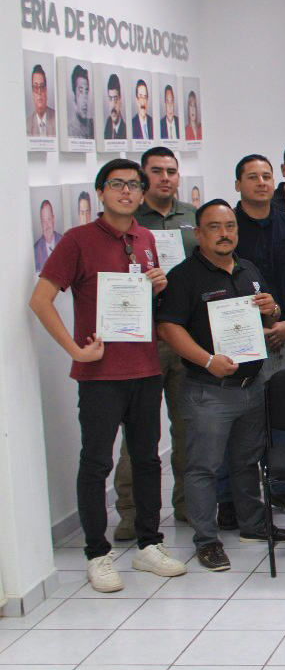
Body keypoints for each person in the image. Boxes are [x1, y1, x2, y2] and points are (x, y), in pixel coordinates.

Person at [30, 159, 186, 592]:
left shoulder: (145, 237)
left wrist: (157, 287)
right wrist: (75, 349)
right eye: (117, 184)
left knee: (147, 459)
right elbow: (40, 300)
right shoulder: (77, 240)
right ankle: (97, 554)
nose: (126, 191)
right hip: (100, 373)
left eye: (134, 185)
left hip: (145, 367)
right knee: (97, 462)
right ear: (100, 193)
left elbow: (146, 304)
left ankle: (149, 544)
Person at [157, 200, 285, 572]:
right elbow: (168, 327)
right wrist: (207, 360)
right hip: (209, 389)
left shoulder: (247, 269)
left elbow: (268, 312)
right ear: (198, 233)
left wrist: (272, 310)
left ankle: (253, 525)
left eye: (230, 226)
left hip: (251, 385)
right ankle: (207, 541)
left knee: (247, 462)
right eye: (215, 227)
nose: (224, 234)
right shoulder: (184, 276)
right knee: (203, 468)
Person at [113, 147, 199, 540]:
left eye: (171, 171)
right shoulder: (129, 220)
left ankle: (187, 504)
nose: (165, 178)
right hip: (143, 337)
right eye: (157, 171)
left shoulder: (192, 217)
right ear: (143, 177)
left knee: (187, 428)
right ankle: (131, 512)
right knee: (139, 432)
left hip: (186, 335)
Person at [231, 153, 285, 520]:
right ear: (239, 184)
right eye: (253, 177)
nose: (261, 182)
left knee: (284, 411)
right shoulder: (228, 226)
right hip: (240, 336)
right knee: (244, 417)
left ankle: (284, 488)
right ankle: (238, 496)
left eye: (266, 176)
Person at [33, 199, 62, 271]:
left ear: (53, 219)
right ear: (41, 223)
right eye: (44, 221)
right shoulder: (35, 251)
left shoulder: (64, 242)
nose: (47, 226)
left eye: (48, 219)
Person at [27, 63, 55, 136]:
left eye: (42, 87)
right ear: (32, 92)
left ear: (46, 90)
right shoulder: (27, 126)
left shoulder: (56, 119)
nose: (39, 92)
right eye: (36, 87)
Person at [67, 64, 94, 139]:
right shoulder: (69, 131)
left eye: (86, 92)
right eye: (81, 92)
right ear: (74, 96)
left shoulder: (92, 126)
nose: (85, 100)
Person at [104, 74, 127, 140]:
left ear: (120, 101)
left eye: (116, 99)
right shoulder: (108, 125)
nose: (113, 105)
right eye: (110, 99)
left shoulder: (125, 130)